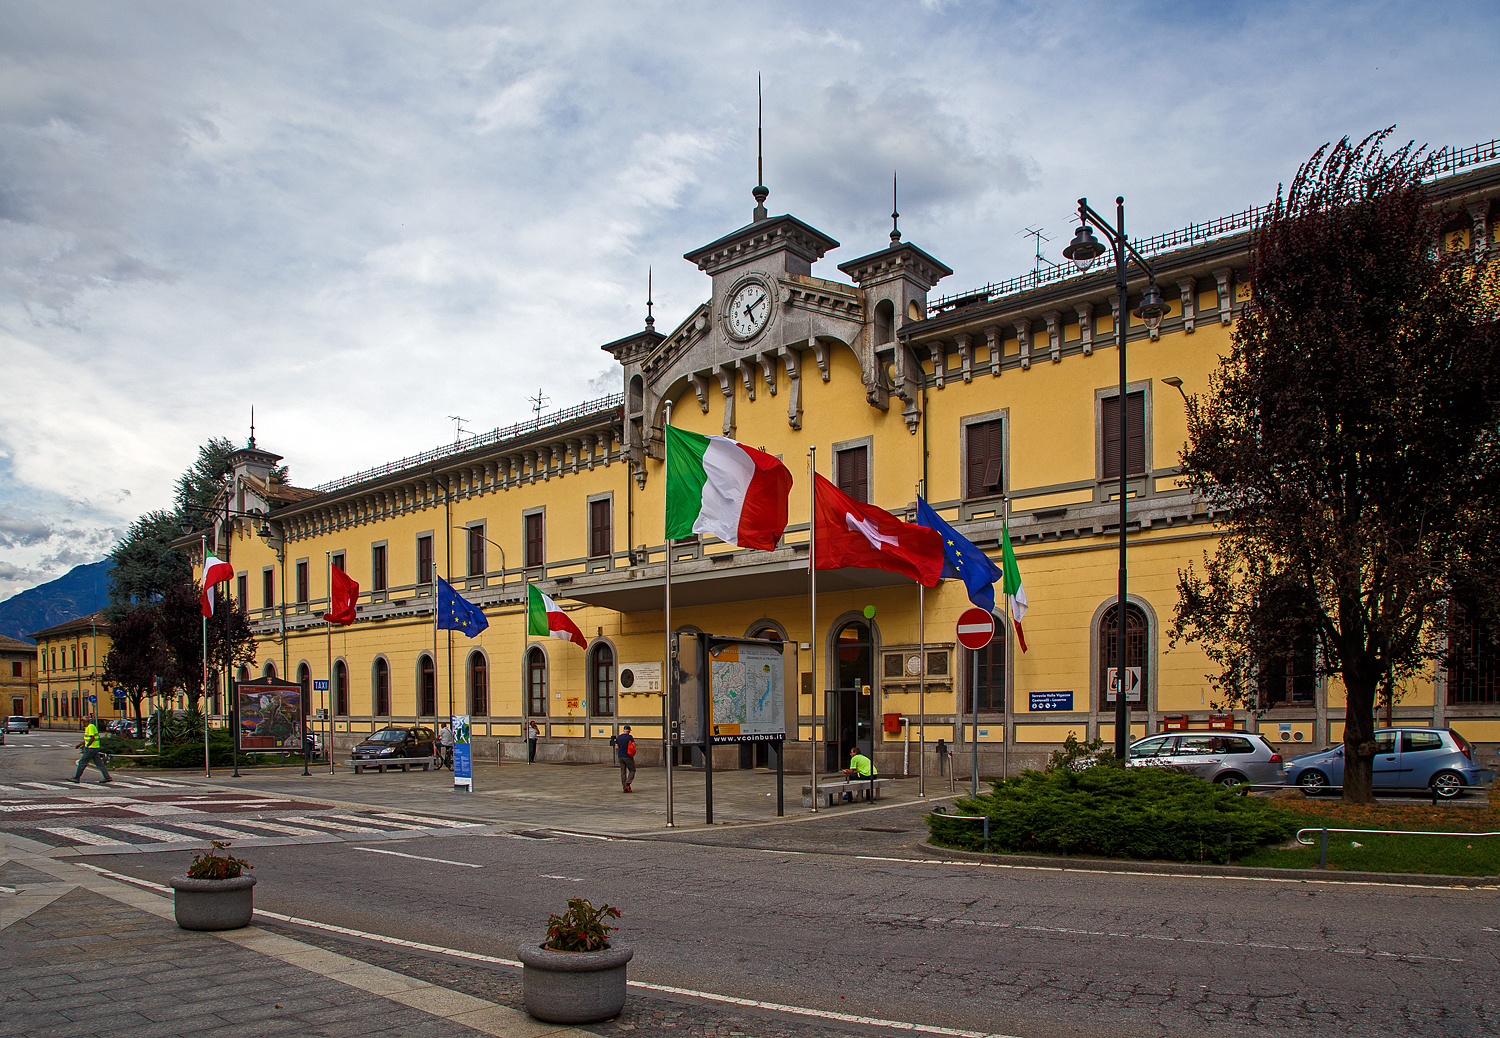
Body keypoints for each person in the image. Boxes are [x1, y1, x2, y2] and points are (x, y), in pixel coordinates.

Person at [72, 719, 111, 784]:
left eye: (83, 722)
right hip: (94, 747)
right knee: (99, 763)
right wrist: (80, 744)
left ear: (85, 721)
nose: (82, 723)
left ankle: (76, 778)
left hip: (91, 748)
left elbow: (92, 738)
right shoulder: (91, 727)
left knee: (82, 762)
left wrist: (87, 746)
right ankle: (107, 777)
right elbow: (88, 738)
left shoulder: (90, 727)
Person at [610, 725, 636, 792]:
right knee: (632, 770)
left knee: (623, 772)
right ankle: (627, 783)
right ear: (629, 730)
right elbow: (633, 745)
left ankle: (624, 787)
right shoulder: (630, 737)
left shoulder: (619, 737)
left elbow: (616, 747)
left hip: (620, 756)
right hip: (628, 756)